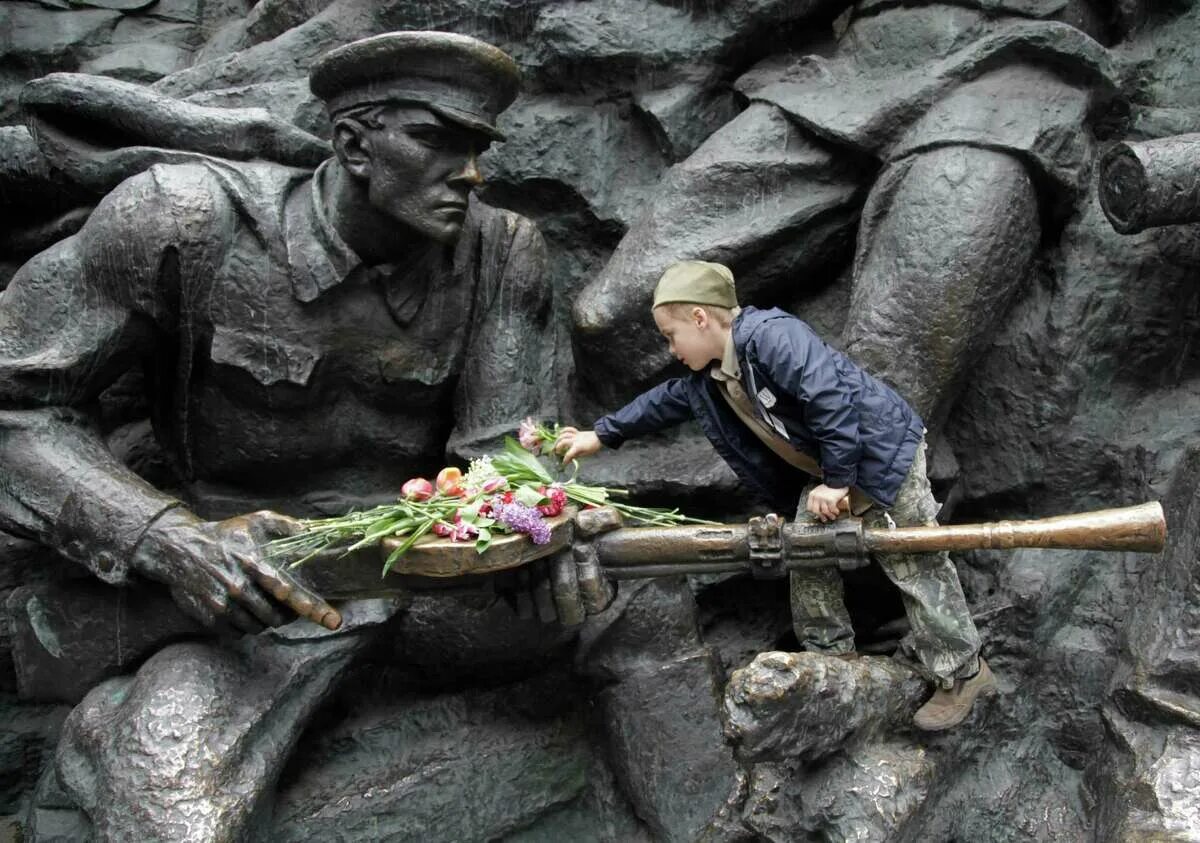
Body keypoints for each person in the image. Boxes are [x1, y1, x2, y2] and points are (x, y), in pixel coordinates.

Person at [0, 31, 562, 839]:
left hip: (437, 578)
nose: (468, 173)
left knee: (641, 608)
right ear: (351, 144)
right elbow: (15, 403)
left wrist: (541, 534)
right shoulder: (185, 220)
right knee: (173, 806)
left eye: (476, 148)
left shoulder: (503, 253)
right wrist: (171, 542)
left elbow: (508, 450)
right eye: (436, 140)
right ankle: (109, 736)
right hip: (255, 596)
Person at [556, 260, 995, 730]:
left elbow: (829, 398)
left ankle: (964, 672)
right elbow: (662, 402)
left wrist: (837, 482)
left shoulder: (771, 337)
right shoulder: (710, 379)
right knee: (806, 553)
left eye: (671, 334)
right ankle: (831, 663)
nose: (671, 347)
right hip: (835, 471)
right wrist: (600, 435)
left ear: (701, 319)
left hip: (881, 457)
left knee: (915, 561)